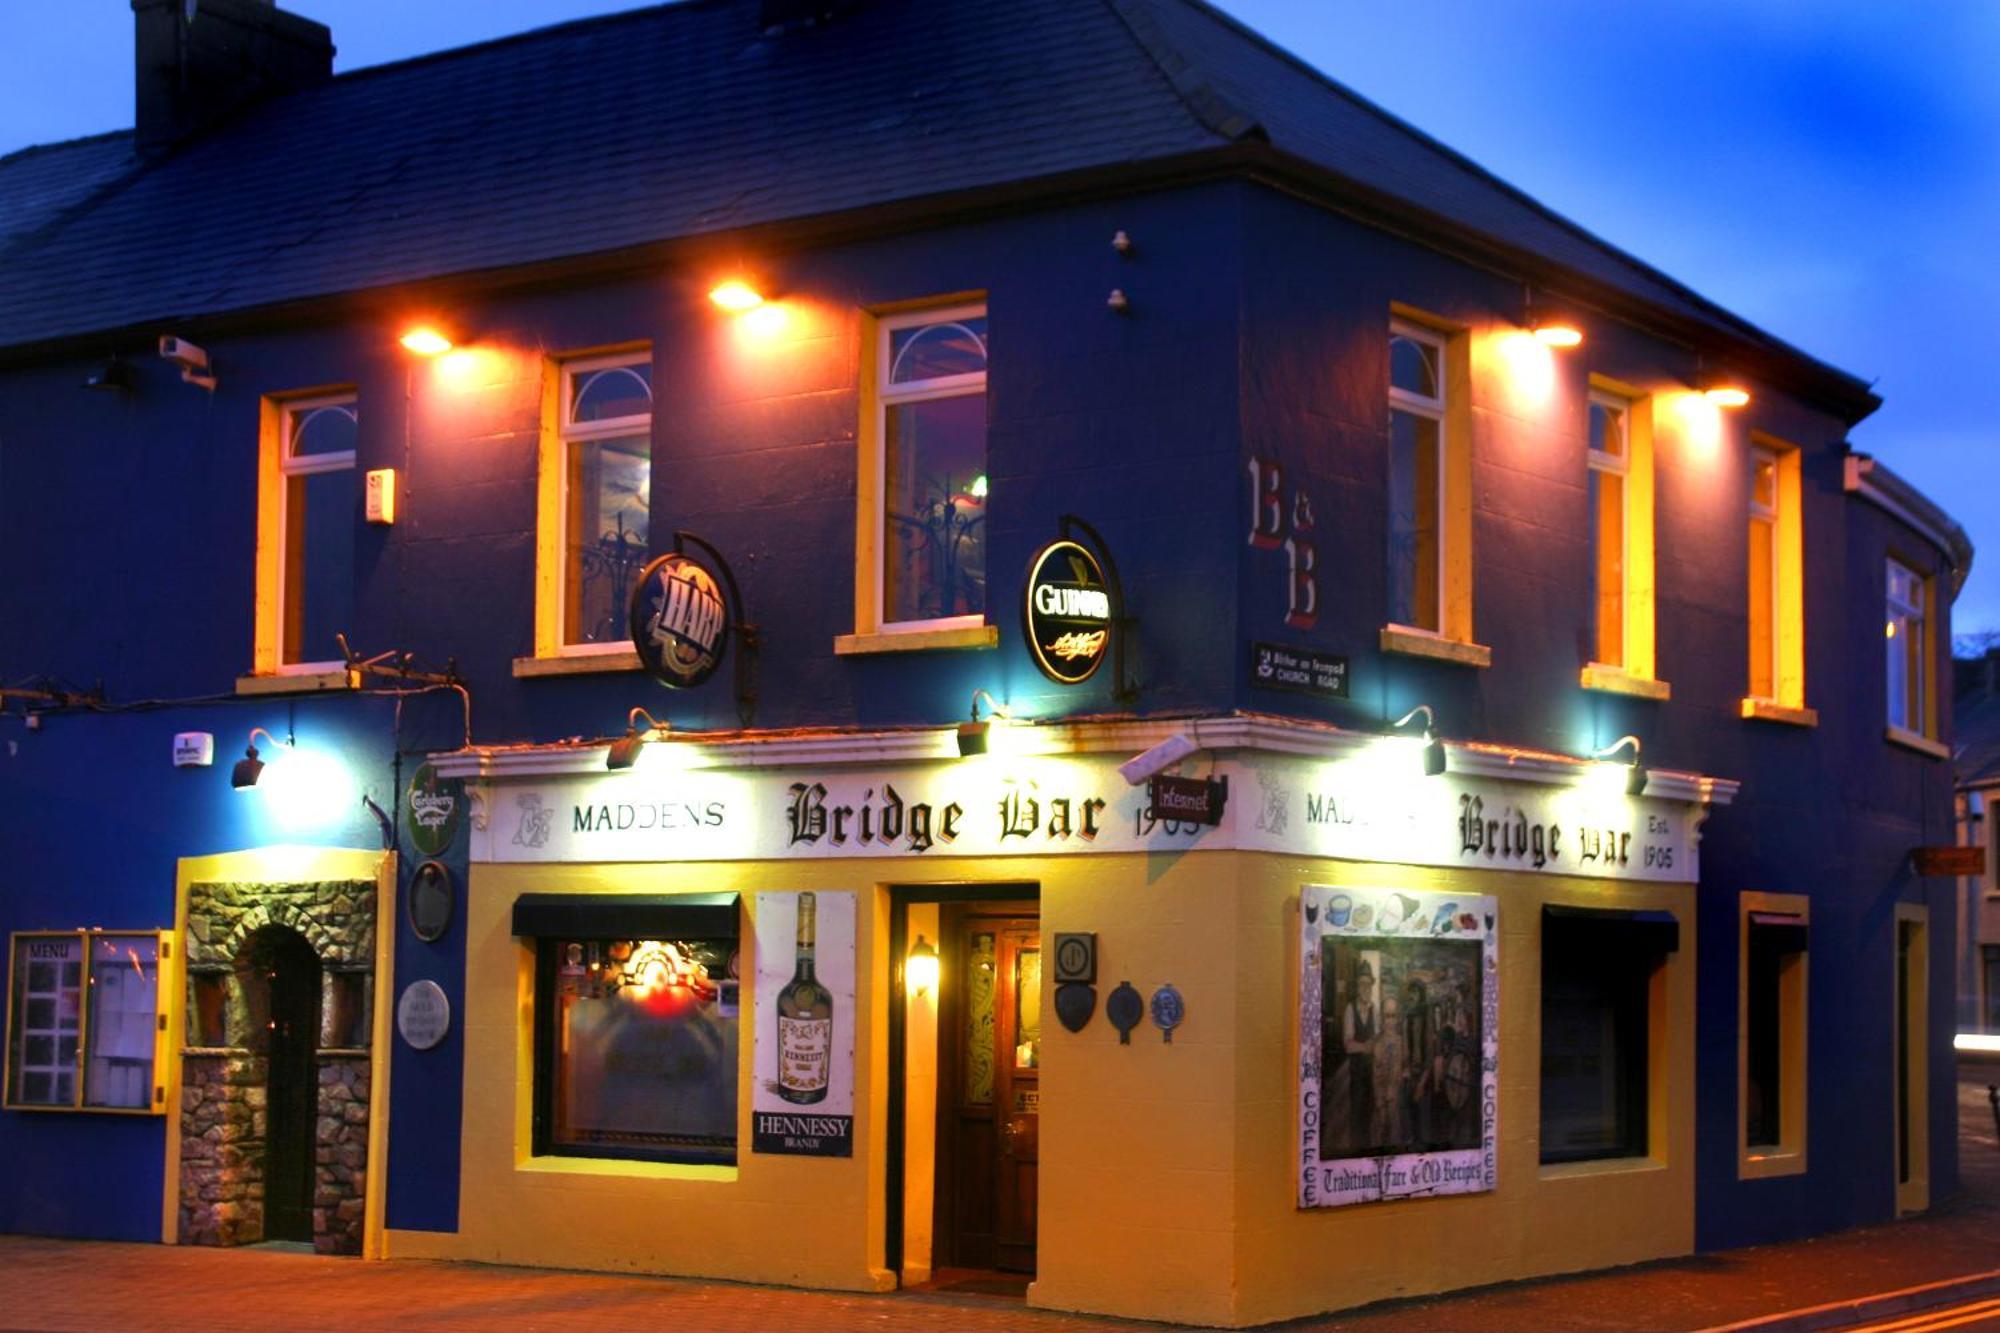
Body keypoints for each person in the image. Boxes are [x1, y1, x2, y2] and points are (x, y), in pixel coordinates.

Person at [1341, 958, 1377, 1151]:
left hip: (1372, 1070)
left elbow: (1377, 1037)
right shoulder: (1349, 1009)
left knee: (1369, 1108)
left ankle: (1368, 1150)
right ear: (1357, 986)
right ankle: (1356, 1150)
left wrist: (1375, 1045)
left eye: (1368, 984)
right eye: (1362, 984)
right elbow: (1348, 1045)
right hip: (1356, 1071)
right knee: (1356, 1108)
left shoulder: (1373, 1009)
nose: (1365, 988)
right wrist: (1366, 1047)